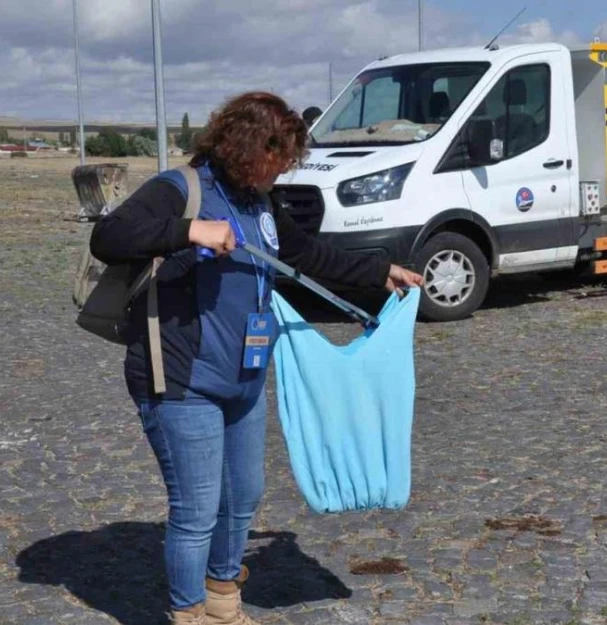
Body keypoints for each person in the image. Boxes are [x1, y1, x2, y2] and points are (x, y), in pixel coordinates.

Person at [89, 91, 424, 624]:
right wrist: (188, 230)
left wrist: (380, 273)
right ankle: (189, 612)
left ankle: (223, 599)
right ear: (246, 147)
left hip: (242, 378)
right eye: (278, 157)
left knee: (244, 493)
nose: (283, 168)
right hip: (180, 377)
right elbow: (109, 236)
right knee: (197, 508)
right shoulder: (181, 189)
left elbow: (307, 255)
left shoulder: (260, 202)